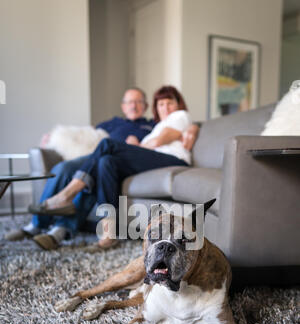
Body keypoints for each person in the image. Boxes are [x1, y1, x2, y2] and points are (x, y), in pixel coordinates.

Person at [30, 86, 199, 252]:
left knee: (107, 145)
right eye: (161, 104)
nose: (165, 108)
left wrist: (138, 146)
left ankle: (67, 195)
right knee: (105, 162)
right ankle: (108, 234)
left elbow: (158, 142)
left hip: (174, 160)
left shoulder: (180, 116)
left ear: (178, 104)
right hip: (155, 160)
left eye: (169, 103)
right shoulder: (157, 125)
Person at [5, 87, 155, 245]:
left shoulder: (150, 126)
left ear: (145, 106)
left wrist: (138, 145)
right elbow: (85, 135)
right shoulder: (112, 123)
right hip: (95, 156)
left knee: (95, 176)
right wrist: (53, 139)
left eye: (138, 102)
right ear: (123, 106)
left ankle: (60, 230)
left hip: (115, 163)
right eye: (130, 102)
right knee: (62, 169)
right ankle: (36, 225)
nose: (134, 106)